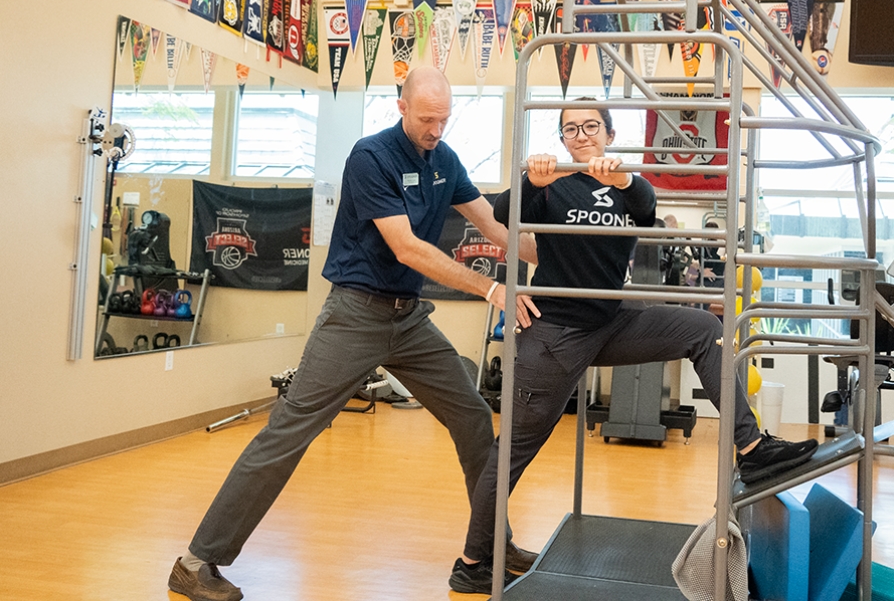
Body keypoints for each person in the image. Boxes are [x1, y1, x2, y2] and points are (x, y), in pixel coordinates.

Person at [168, 67, 538, 601]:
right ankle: (196, 562)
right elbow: (407, 249)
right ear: (401, 107)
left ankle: (489, 551)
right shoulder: (371, 157)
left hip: (407, 319)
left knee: (473, 415)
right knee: (288, 433)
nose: (437, 129)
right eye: (428, 118)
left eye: (445, 118)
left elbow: (496, 229)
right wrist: (491, 289)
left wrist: (565, 250)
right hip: (354, 315)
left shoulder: (445, 160)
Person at [450, 99, 818, 594]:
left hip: (611, 322)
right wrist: (532, 182)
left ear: (609, 132)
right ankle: (472, 562)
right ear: (562, 139)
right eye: (570, 130)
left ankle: (750, 446)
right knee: (513, 450)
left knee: (700, 328)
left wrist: (621, 180)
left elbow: (646, 205)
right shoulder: (551, 183)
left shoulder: (629, 185)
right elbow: (502, 213)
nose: (580, 135)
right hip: (556, 335)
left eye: (590, 127)